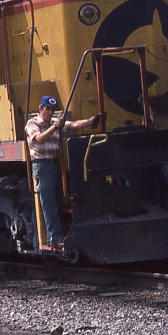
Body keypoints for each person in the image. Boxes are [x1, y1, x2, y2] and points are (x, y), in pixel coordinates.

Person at [25, 95, 101, 252]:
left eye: (53, 110)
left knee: (59, 201)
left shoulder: (55, 122)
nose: (51, 113)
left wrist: (91, 121)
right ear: (40, 109)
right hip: (42, 166)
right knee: (49, 204)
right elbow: (38, 139)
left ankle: (62, 235)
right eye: (48, 110)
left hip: (55, 164)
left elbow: (72, 125)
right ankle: (55, 239)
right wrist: (55, 127)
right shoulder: (32, 124)